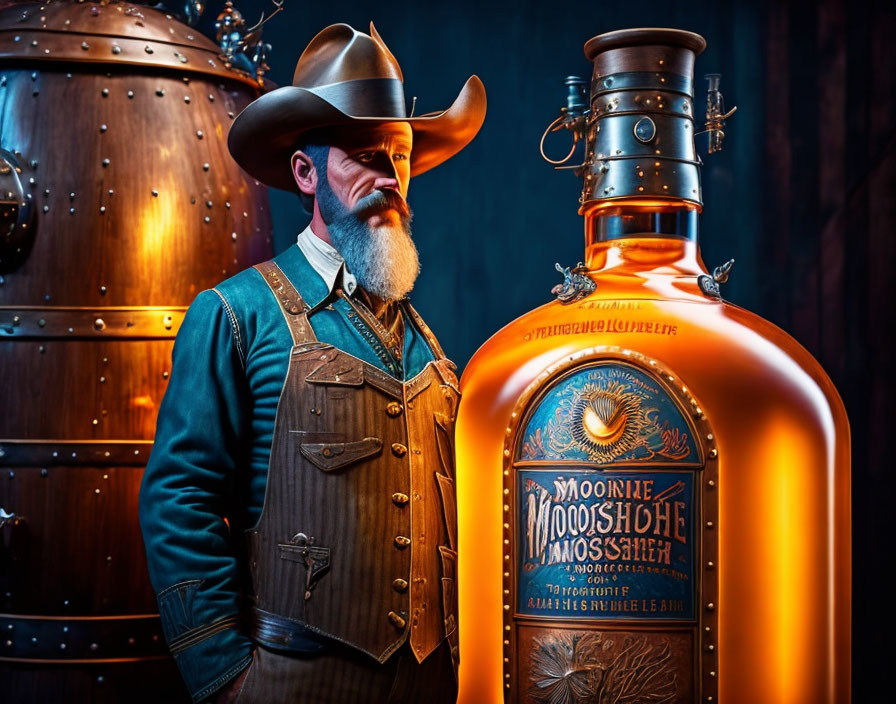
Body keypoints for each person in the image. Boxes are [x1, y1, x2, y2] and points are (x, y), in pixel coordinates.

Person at [138, 22, 486, 704]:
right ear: (306, 171)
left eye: (401, 156)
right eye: (364, 155)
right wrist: (224, 681)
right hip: (289, 686)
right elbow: (179, 501)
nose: (389, 177)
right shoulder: (235, 315)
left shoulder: (432, 346)